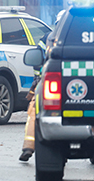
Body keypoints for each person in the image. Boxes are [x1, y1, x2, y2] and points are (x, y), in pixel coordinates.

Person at [20, 9, 65, 162]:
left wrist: (37, 79)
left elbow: (37, 60)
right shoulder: (82, 35)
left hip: (48, 84)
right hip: (77, 86)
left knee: (34, 113)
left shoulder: (48, 38)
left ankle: (28, 147)